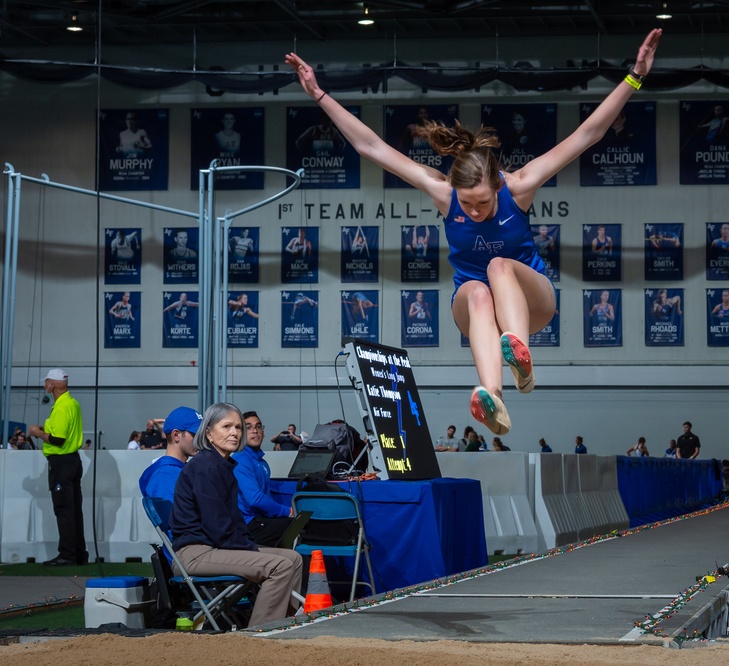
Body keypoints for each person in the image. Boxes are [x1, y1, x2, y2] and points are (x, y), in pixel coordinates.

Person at [285, 28, 661, 437]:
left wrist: (634, 77)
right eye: (468, 204)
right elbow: (372, 148)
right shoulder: (445, 194)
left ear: (498, 186)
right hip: (475, 307)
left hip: (531, 300)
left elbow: (587, 134)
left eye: (483, 202)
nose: (476, 210)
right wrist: (319, 94)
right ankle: (493, 395)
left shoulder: (519, 186)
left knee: (500, 266)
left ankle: (519, 351)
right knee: (479, 288)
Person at [169, 403, 303, 627]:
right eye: (227, 426)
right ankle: (260, 634)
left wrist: (251, 546)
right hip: (196, 553)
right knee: (281, 565)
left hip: (216, 547)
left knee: (294, 559)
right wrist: (252, 550)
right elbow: (218, 528)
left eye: (238, 427)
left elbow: (234, 523)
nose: (235, 432)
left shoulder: (223, 467)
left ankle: (284, 625)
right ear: (209, 433)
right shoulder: (205, 467)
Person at [28, 369, 87, 566]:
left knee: (63, 509)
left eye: (46, 383)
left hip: (61, 463)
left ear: (52, 385)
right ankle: (79, 553)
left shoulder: (61, 407)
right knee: (74, 509)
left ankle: (67, 555)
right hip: (73, 461)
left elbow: (58, 439)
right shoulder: (72, 403)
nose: (45, 386)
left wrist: (37, 432)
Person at [233, 411, 297, 548]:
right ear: (240, 433)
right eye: (248, 427)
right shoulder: (240, 461)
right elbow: (255, 499)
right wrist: (288, 511)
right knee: (295, 525)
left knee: (299, 523)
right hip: (246, 525)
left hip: (260, 520)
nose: (255, 431)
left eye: (258, 426)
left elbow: (265, 499)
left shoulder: (262, 463)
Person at [138, 406, 201, 503]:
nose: (200, 440)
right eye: (195, 435)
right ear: (176, 435)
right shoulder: (166, 476)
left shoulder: (175, 470)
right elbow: (173, 517)